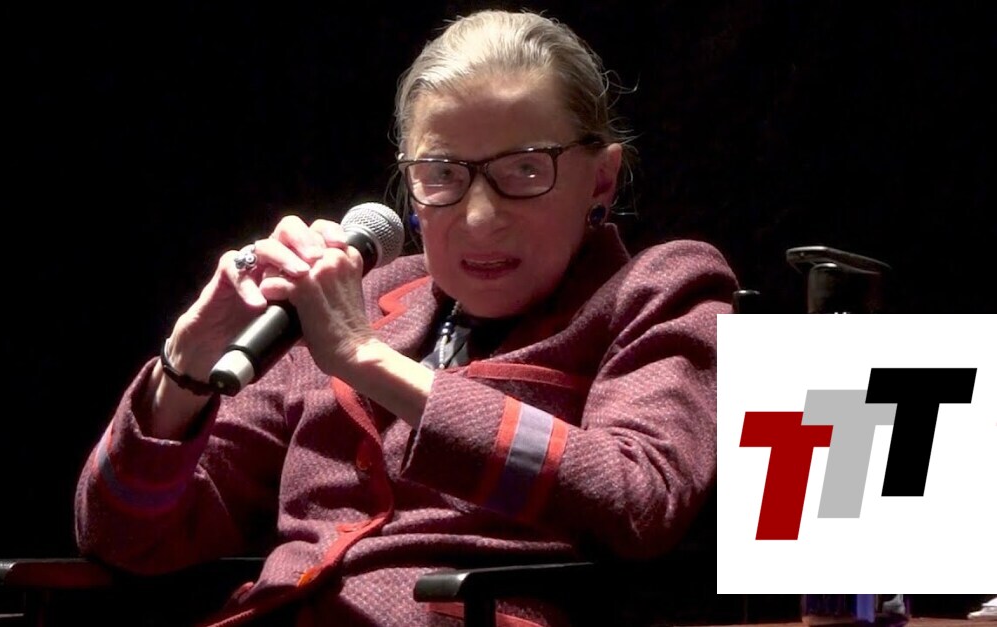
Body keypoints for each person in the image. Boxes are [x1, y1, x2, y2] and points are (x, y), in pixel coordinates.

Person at [74, 9, 737, 626]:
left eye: (524, 170)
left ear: (600, 180)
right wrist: (183, 370)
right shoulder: (360, 297)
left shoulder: (656, 289)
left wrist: (369, 361)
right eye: (442, 174)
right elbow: (124, 536)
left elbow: (638, 497)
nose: (479, 217)